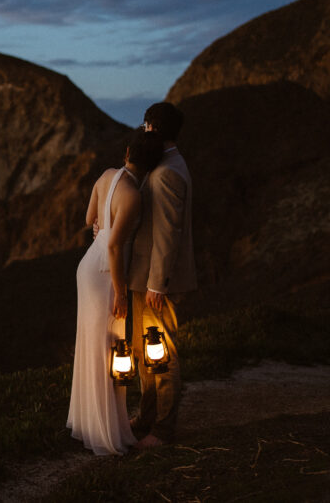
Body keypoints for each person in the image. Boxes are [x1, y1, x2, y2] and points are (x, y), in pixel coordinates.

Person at [67, 128, 163, 455]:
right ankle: (108, 432)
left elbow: (89, 219)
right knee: (111, 349)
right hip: (107, 274)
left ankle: (89, 423)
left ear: (126, 154)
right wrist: (121, 292)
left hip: (87, 267)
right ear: (150, 167)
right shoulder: (133, 196)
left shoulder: (107, 175)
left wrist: (101, 228)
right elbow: (113, 247)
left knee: (93, 348)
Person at [129, 102, 196, 449]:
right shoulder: (166, 164)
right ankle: (147, 416)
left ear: (152, 127)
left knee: (161, 355)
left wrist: (157, 283)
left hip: (156, 283)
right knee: (144, 353)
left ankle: (164, 430)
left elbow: (168, 233)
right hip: (144, 277)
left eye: (145, 126)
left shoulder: (168, 172)